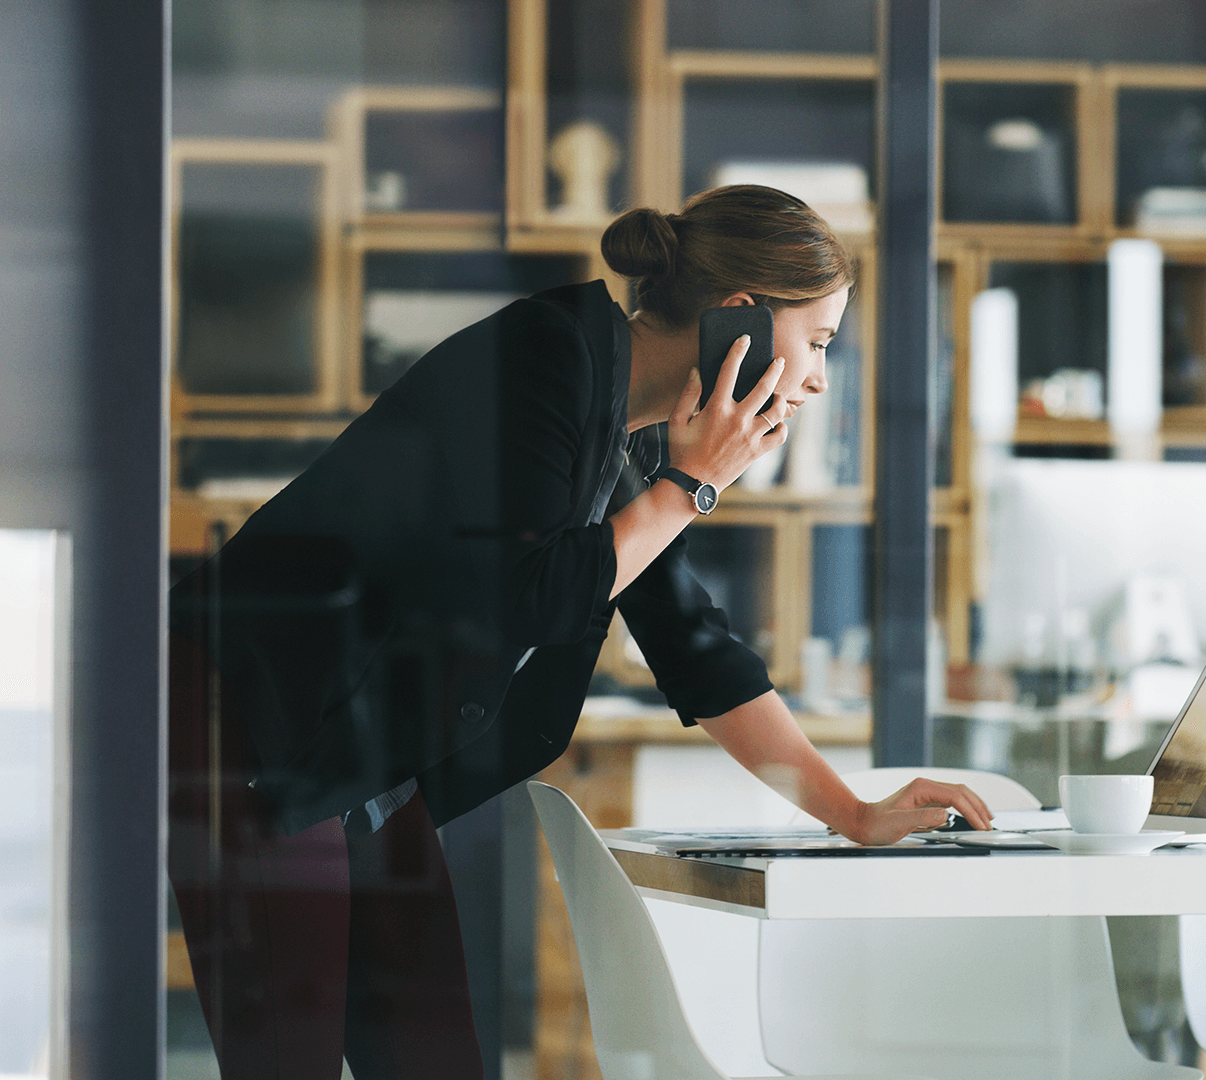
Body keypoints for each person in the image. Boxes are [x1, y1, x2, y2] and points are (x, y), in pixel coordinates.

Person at [168, 184, 992, 1080]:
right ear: (740, 318)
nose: (821, 378)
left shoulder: (628, 426)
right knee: (284, 1061)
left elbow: (693, 646)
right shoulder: (542, 362)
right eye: (819, 342)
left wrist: (854, 813)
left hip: (354, 744)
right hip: (249, 713)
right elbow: (522, 596)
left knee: (434, 1056)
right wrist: (690, 487)